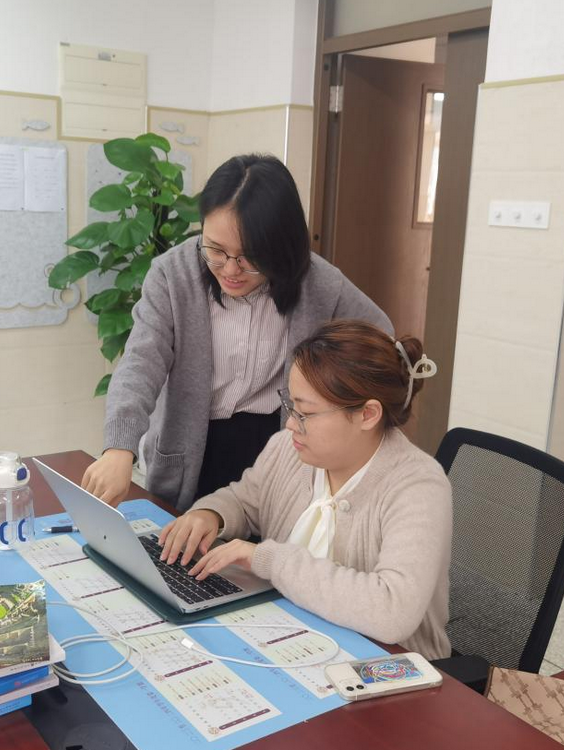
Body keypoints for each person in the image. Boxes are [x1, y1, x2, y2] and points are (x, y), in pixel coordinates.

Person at [81, 155, 391, 512]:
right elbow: (141, 362)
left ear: (282, 247)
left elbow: (382, 339)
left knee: (266, 544)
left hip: (279, 446)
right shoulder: (172, 275)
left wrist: (338, 408)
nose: (229, 269)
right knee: (182, 540)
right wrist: (119, 449)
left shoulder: (319, 283)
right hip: (193, 447)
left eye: (249, 257)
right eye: (215, 250)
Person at [156, 320, 453, 660]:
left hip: (388, 669)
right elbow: (244, 501)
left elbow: (392, 611)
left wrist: (267, 560)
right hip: (290, 642)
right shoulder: (288, 448)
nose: (290, 424)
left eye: (306, 413)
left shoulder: (417, 486)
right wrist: (211, 515)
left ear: (368, 414)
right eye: (291, 406)